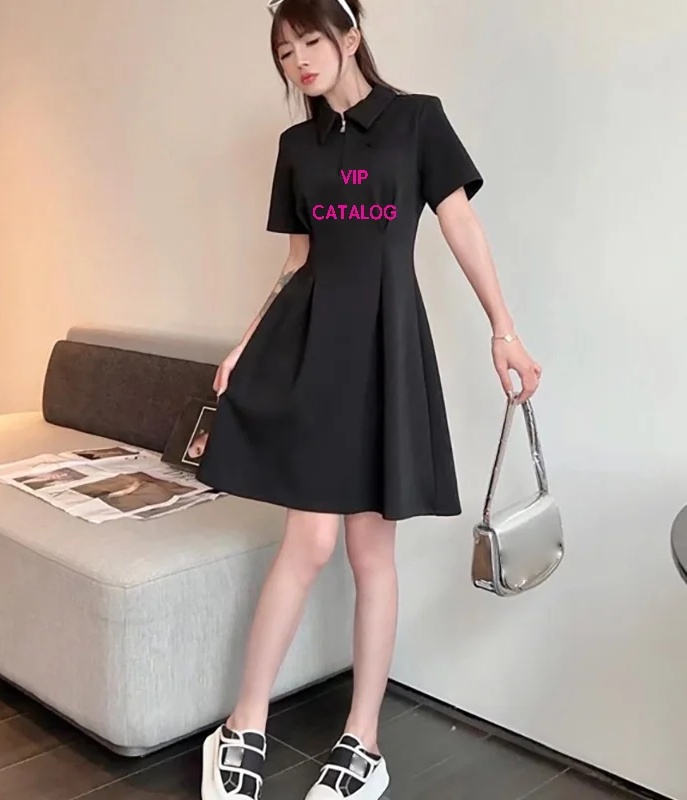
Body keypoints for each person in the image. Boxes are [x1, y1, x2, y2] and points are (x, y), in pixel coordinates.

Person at [196, 0, 542, 798]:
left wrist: (503, 329)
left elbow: (460, 225)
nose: (299, 61)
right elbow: (298, 261)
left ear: (350, 37)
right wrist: (247, 343)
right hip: (315, 347)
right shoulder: (296, 147)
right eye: (284, 51)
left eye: (311, 41)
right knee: (308, 543)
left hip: (387, 347)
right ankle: (243, 724)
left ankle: (363, 741)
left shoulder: (418, 121)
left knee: (369, 552)